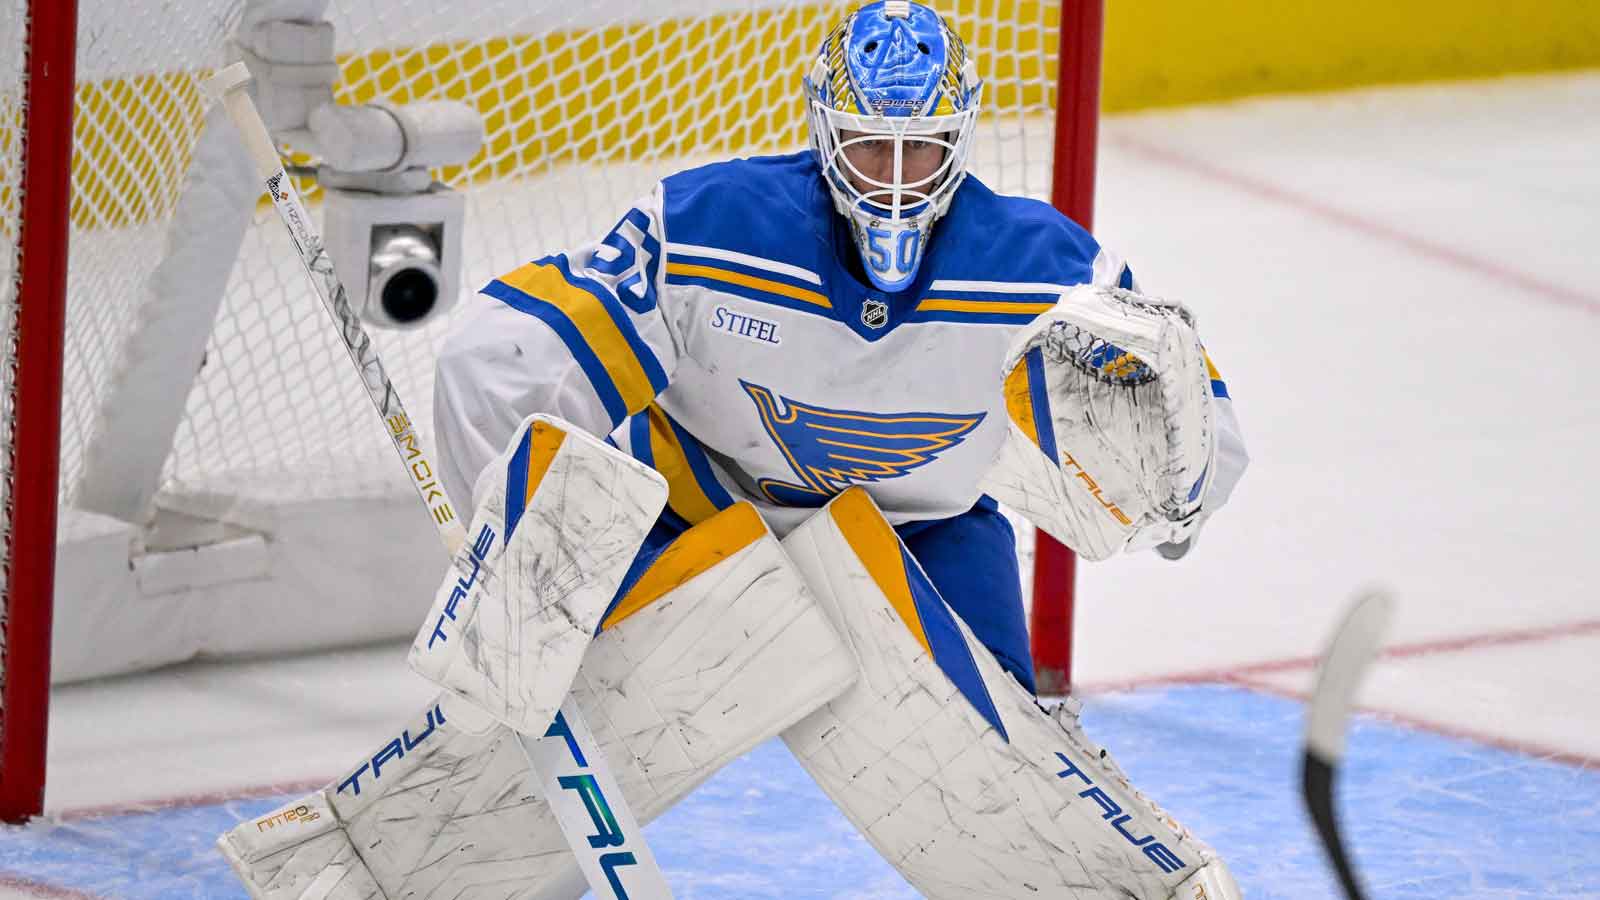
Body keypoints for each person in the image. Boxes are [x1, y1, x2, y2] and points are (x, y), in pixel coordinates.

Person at [221, 4, 1249, 897]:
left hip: (926, 538)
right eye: (868, 148)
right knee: (549, 735)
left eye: (920, 150)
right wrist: (523, 546)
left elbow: (1192, 422)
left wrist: (1171, 486)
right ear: (824, 131)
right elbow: (520, 351)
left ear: (960, 140)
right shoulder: (711, 225)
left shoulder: (1052, 272)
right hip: (703, 512)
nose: (894, 181)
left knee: (1015, 785)